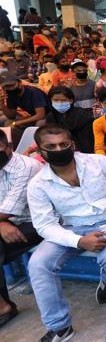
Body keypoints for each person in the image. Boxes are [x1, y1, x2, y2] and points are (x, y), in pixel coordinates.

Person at [27, 124, 106, 342]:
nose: (59, 149)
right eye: (51, 146)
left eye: (64, 144)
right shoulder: (38, 184)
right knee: (38, 264)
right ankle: (60, 327)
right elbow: (44, 225)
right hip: (71, 228)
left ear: (72, 144)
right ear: (40, 151)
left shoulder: (99, 162)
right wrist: (79, 241)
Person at [0, 129, 42, 327]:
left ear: (8, 147)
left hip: (36, 221)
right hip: (6, 222)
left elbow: (8, 210)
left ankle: (3, 308)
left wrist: (2, 220)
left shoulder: (26, 167)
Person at [0, 73, 49, 142]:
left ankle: (35, 144)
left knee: (39, 124)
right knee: (8, 122)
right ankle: (18, 144)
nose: (9, 88)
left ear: (20, 83)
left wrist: (18, 123)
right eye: (6, 87)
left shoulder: (33, 92)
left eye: (12, 85)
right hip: (33, 116)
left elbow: (41, 115)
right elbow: (11, 116)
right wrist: (1, 102)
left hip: (48, 117)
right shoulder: (11, 95)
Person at [46, 86, 94, 154]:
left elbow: (87, 140)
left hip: (83, 151)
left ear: (71, 100)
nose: (60, 103)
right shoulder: (51, 117)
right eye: (56, 100)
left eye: (64, 100)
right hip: (59, 150)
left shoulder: (82, 115)